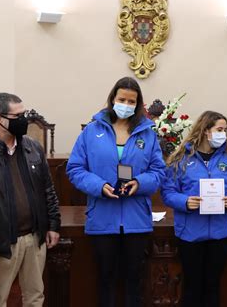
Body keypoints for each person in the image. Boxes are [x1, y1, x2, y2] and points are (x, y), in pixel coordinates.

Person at [66, 77, 165, 307]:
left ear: (138, 104)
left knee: (134, 280)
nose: (126, 105)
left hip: (136, 219)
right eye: (122, 99)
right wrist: (98, 186)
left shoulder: (148, 133)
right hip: (102, 217)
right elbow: (75, 168)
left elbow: (159, 171)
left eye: (132, 101)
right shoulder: (92, 131)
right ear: (113, 99)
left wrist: (139, 183)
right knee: (105, 279)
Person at [0, 93, 61, 307]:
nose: (24, 120)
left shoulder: (32, 147)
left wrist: (53, 224)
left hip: (35, 237)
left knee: (35, 296)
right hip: (2, 242)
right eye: (18, 115)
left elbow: (48, 189)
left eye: (24, 114)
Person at [161, 110, 227, 307]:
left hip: (221, 232)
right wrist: (185, 201)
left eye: (225, 130)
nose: (223, 134)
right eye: (220, 129)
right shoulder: (180, 161)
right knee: (192, 286)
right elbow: (168, 192)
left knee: (212, 285)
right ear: (205, 131)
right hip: (191, 232)